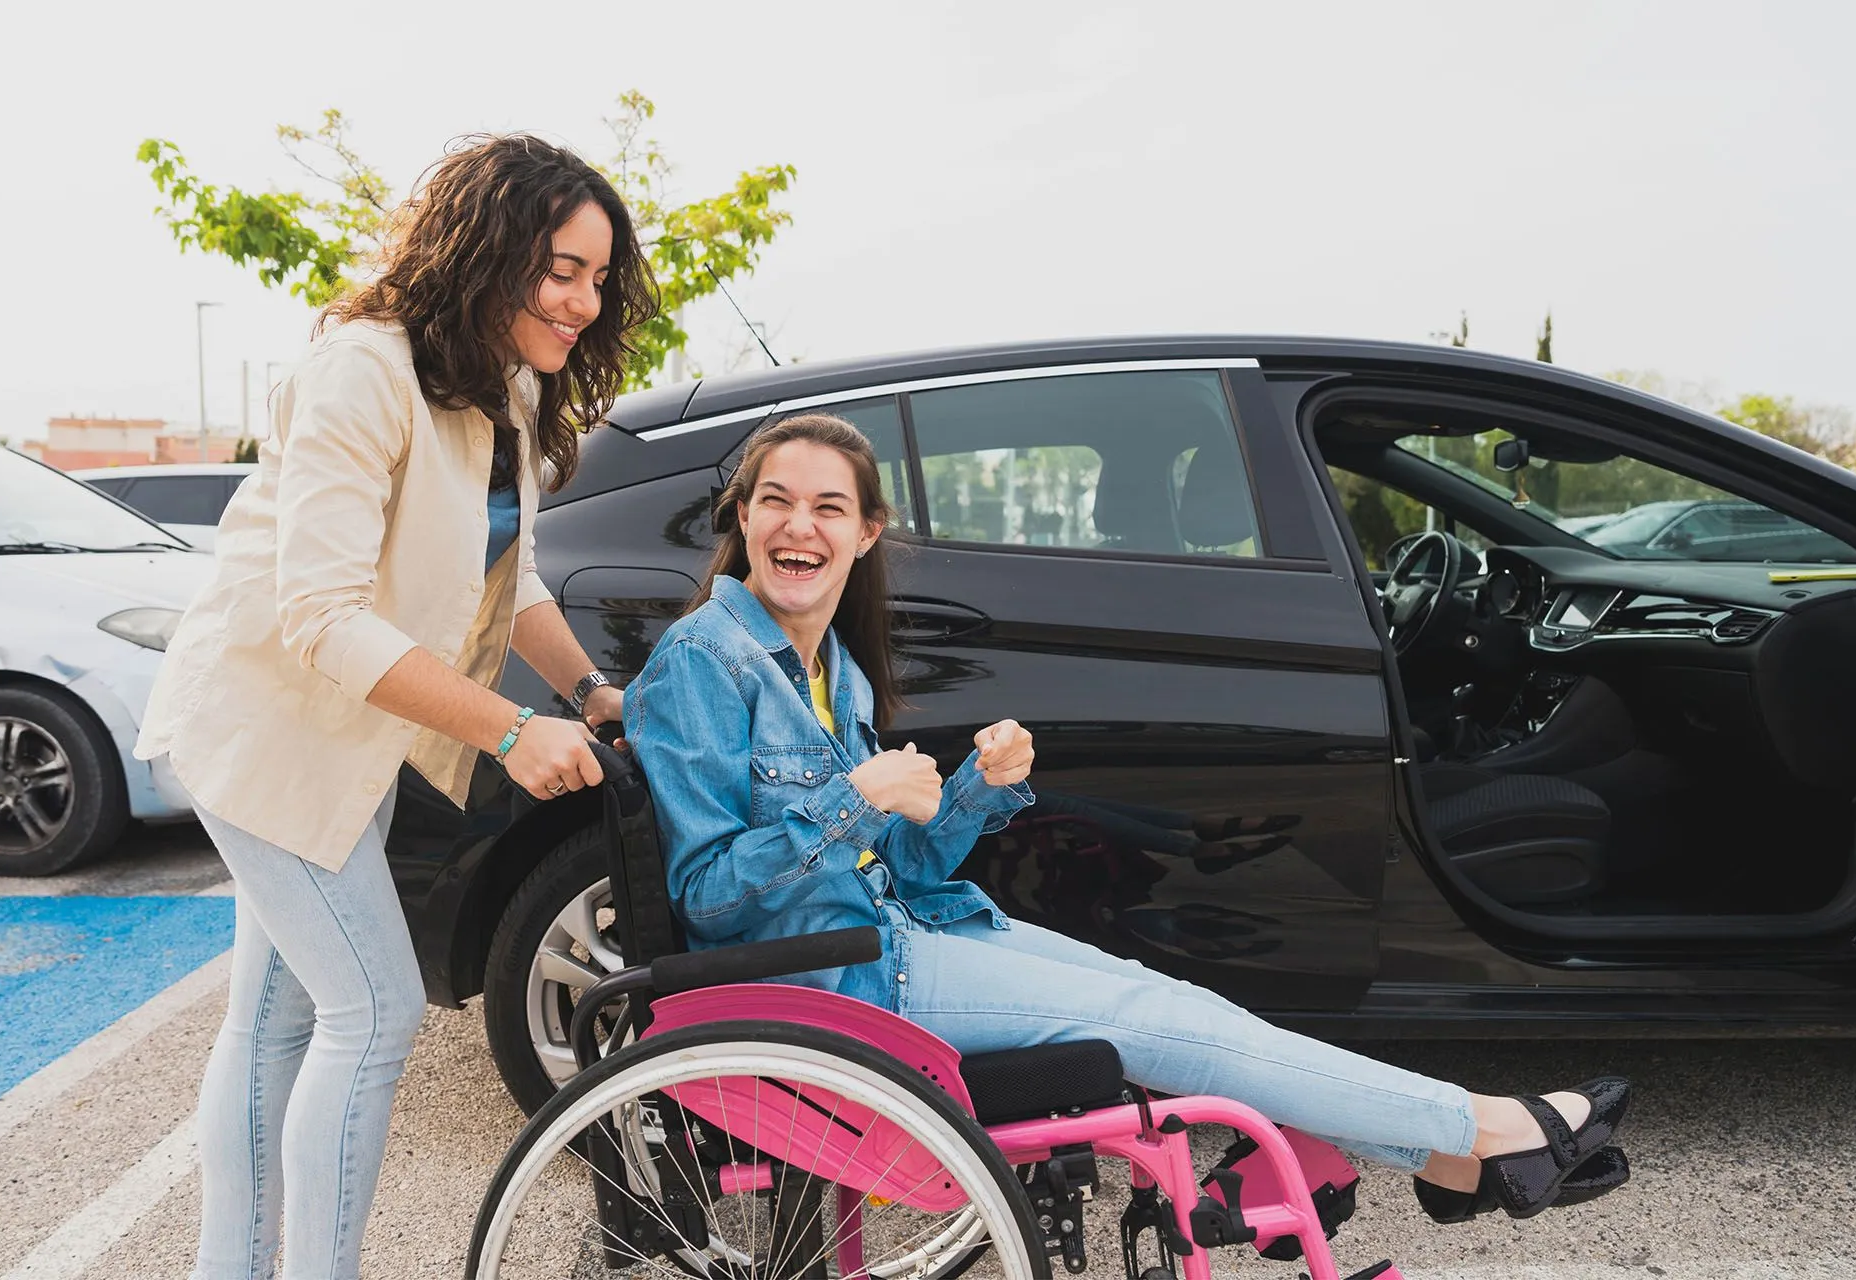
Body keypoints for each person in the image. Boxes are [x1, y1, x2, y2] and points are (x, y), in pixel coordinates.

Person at [623, 413, 1633, 1226]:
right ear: (743, 518)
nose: (800, 527)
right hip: (835, 979)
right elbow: (710, 892)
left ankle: (1451, 1152)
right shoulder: (702, 660)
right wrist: (858, 793)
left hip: (904, 929)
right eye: (777, 503)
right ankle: (1485, 1127)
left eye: (828, 507)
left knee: (1171, 996)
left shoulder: (827, 662)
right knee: (1165, 1029)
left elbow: (898, 858)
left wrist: (978, 786)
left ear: (867, 530)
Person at [135, 134, 656, 1278]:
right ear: (487, 248)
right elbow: (319, 610)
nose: (583, 300)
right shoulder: (363, 369)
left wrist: (591, 690)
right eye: (561, 268)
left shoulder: (504, 385)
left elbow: (506, 579)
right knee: (373, 1013)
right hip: (268, 732)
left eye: (599, 279)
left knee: (273, 1023)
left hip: (348, 743)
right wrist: (510, 730)